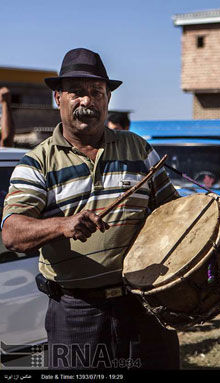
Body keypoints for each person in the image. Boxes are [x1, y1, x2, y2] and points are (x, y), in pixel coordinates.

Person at [1, 48, 181, 369]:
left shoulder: (139, 149)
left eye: (96, 92)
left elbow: (173, 215)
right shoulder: (37, 163)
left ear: (108, 99)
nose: (87, 101)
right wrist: (62, 225)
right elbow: (13, 233)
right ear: (58, 98)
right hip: (76, 313)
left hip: (144, 305)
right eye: (77, 93)